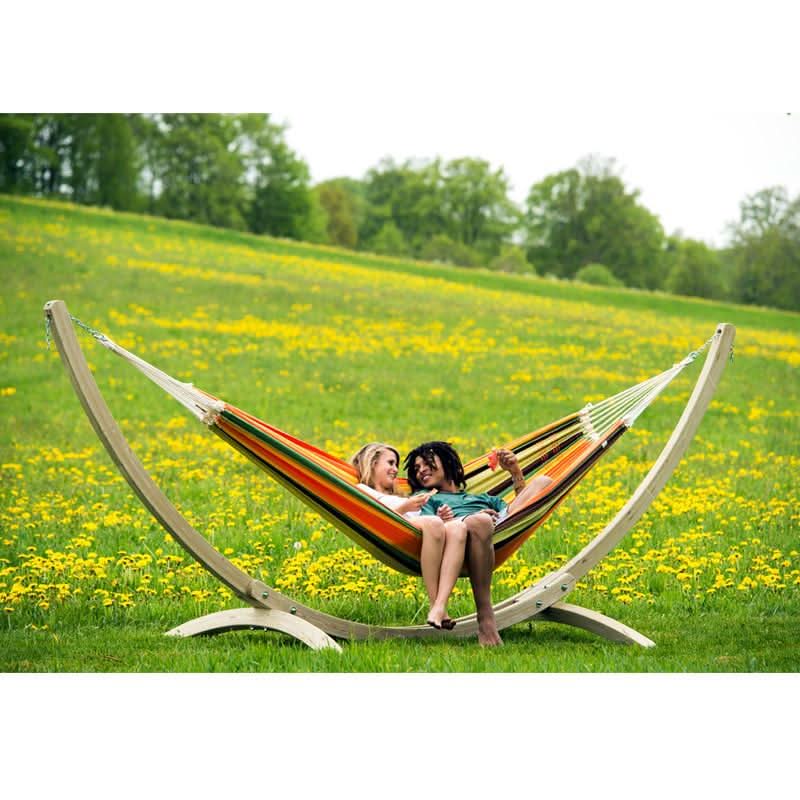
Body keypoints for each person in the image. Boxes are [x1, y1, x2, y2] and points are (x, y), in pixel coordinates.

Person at [404, 441, 553, 646]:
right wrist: (455, 519)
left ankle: (485, 518)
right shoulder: (427, 499)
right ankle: (486, 618)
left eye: (427, 462)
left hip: (498, 529)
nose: (421, 470)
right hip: (459, 535)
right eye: (416, 468)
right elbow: (430, 529)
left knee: (543, 481)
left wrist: (515, 472)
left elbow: (521, 509)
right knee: (481, 521)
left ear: (447, 462)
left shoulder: (484, 498)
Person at [350, 443, 468, 630]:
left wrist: (442, 518)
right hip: (396, 532)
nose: (395, 470)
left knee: (452, 525)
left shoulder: (401, 495)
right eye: (390, 463)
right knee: (433, 523)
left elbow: (424, 519)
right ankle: (436, 605)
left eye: (396, 465)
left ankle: (439, 606)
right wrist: (406, 506)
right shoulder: (363, 490)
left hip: (423, 537)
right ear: (372, 463)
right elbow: (373, 517)